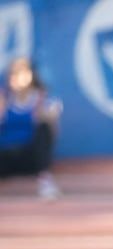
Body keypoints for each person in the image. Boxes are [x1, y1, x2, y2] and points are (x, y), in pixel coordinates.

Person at [0, 57, 61, 199]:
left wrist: (48, 117)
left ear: (30, 76)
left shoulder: (40, 100)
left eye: (21, 74)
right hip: (4, 158)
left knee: (44, 127)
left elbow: (51, 134)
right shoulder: (4, 99)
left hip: (29, 158)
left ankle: (45, 180)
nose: (16, 78)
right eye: (13, 74)